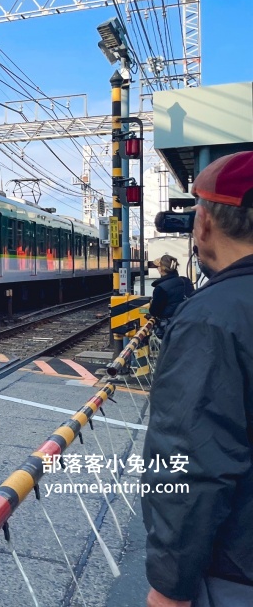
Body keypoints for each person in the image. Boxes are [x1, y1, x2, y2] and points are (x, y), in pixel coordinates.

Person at [142, 151, 253, 607]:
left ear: (203, 223)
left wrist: (171, 585)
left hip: (234, 569)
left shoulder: (212, 318)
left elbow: (190, 464)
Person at [148, 254, 194, 351]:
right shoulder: (185, 281)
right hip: (189, 325)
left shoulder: (161, 288)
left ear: (162, 269)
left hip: (170, 329)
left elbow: (154, 311)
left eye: (158, 267)